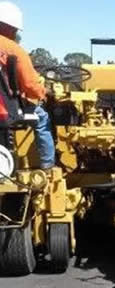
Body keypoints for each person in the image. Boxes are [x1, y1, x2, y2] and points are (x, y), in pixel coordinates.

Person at [0, 1, 55, 170]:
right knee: (42, 117)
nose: (15, 33)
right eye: (15, 30)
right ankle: (48, 166)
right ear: (7, 27)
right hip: (4, 109)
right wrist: (46, 92)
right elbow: (30, 85)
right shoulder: (13, 49)